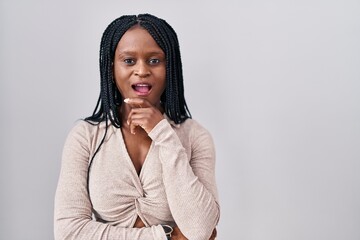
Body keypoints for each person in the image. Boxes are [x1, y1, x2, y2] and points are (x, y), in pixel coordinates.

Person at [54, 13, 220, 240]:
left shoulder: (195, 136)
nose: (142, 70)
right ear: (112, 69)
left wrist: (163, 133)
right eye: (129, 61)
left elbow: (201, 229)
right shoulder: (85, 137)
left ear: (169, 68)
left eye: (154, 60)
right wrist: (166, 236)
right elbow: (69, 232)